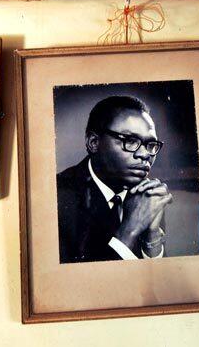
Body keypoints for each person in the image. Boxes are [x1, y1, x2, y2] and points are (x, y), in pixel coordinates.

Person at [57, 96, 173, 263]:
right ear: (94, 142)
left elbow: (158, 283)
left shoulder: (147, 195)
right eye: (130, 141)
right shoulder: (57, 199)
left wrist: (152, 239)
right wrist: (130, 230)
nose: (145, 154)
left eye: (151, 145)